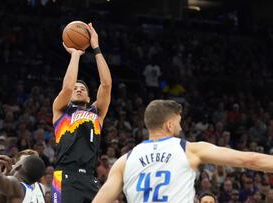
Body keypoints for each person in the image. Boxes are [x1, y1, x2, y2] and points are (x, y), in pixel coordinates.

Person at [93, 100, 273, 203]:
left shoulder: (124, 161)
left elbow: (100, 200)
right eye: (178, 123)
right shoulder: (189, 149)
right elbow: (249, 160)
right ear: (169, 125)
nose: (180, 128)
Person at [52, 22, 112, 203]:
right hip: (65, 177)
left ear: (88, 98)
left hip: (90, 179)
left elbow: (106, 84)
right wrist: (76, 55)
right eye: (75, 89)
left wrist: (96, 47)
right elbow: (68, 86)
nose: (78, 89)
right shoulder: (61, 110)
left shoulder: (97, 112)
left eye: (83, 89)